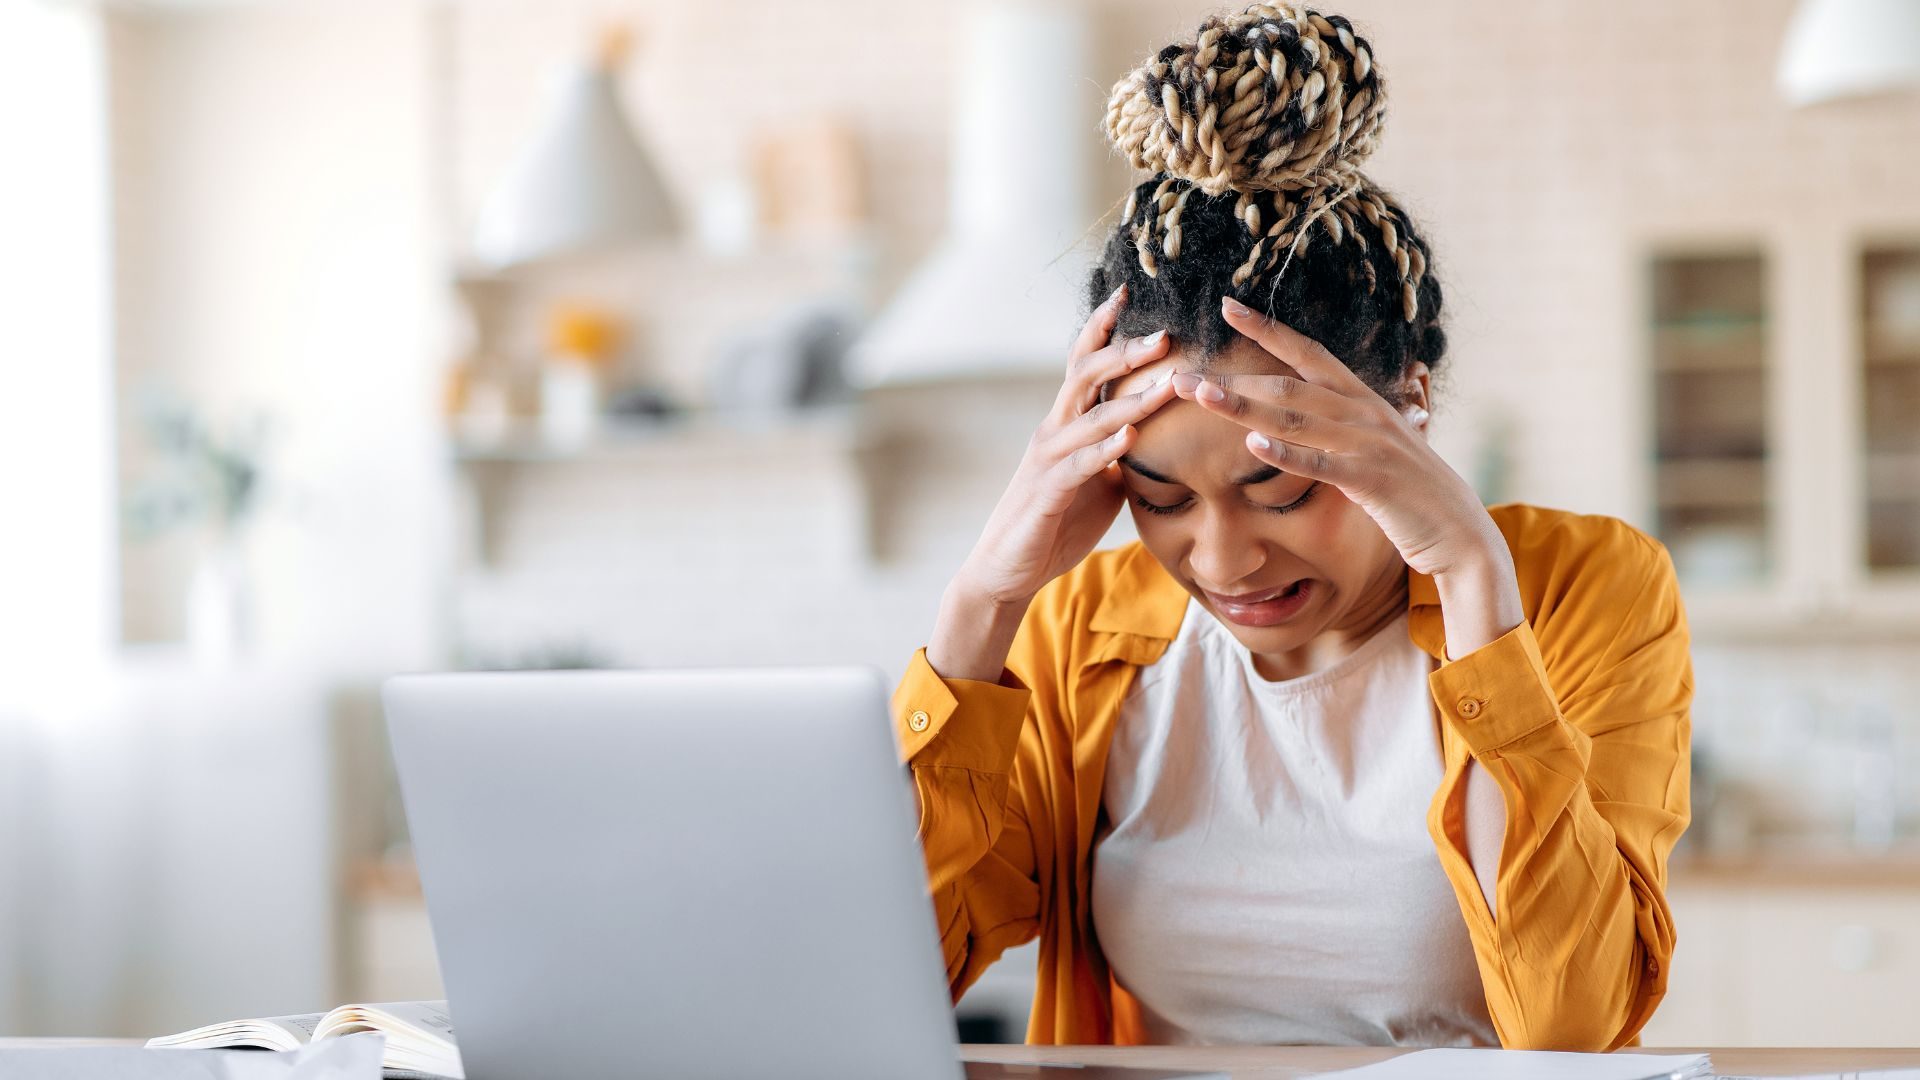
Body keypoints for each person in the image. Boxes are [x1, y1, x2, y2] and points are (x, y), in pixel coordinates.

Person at [892, 3, 1692, 1053]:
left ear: (1405, 408)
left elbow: (1569, 1028)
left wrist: (1470, 578)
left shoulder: (1581, 587)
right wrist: (982, 602)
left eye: (1283, 488)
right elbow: (898, 973)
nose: (1220, 561)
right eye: (1161, 497)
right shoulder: (1078, 628)